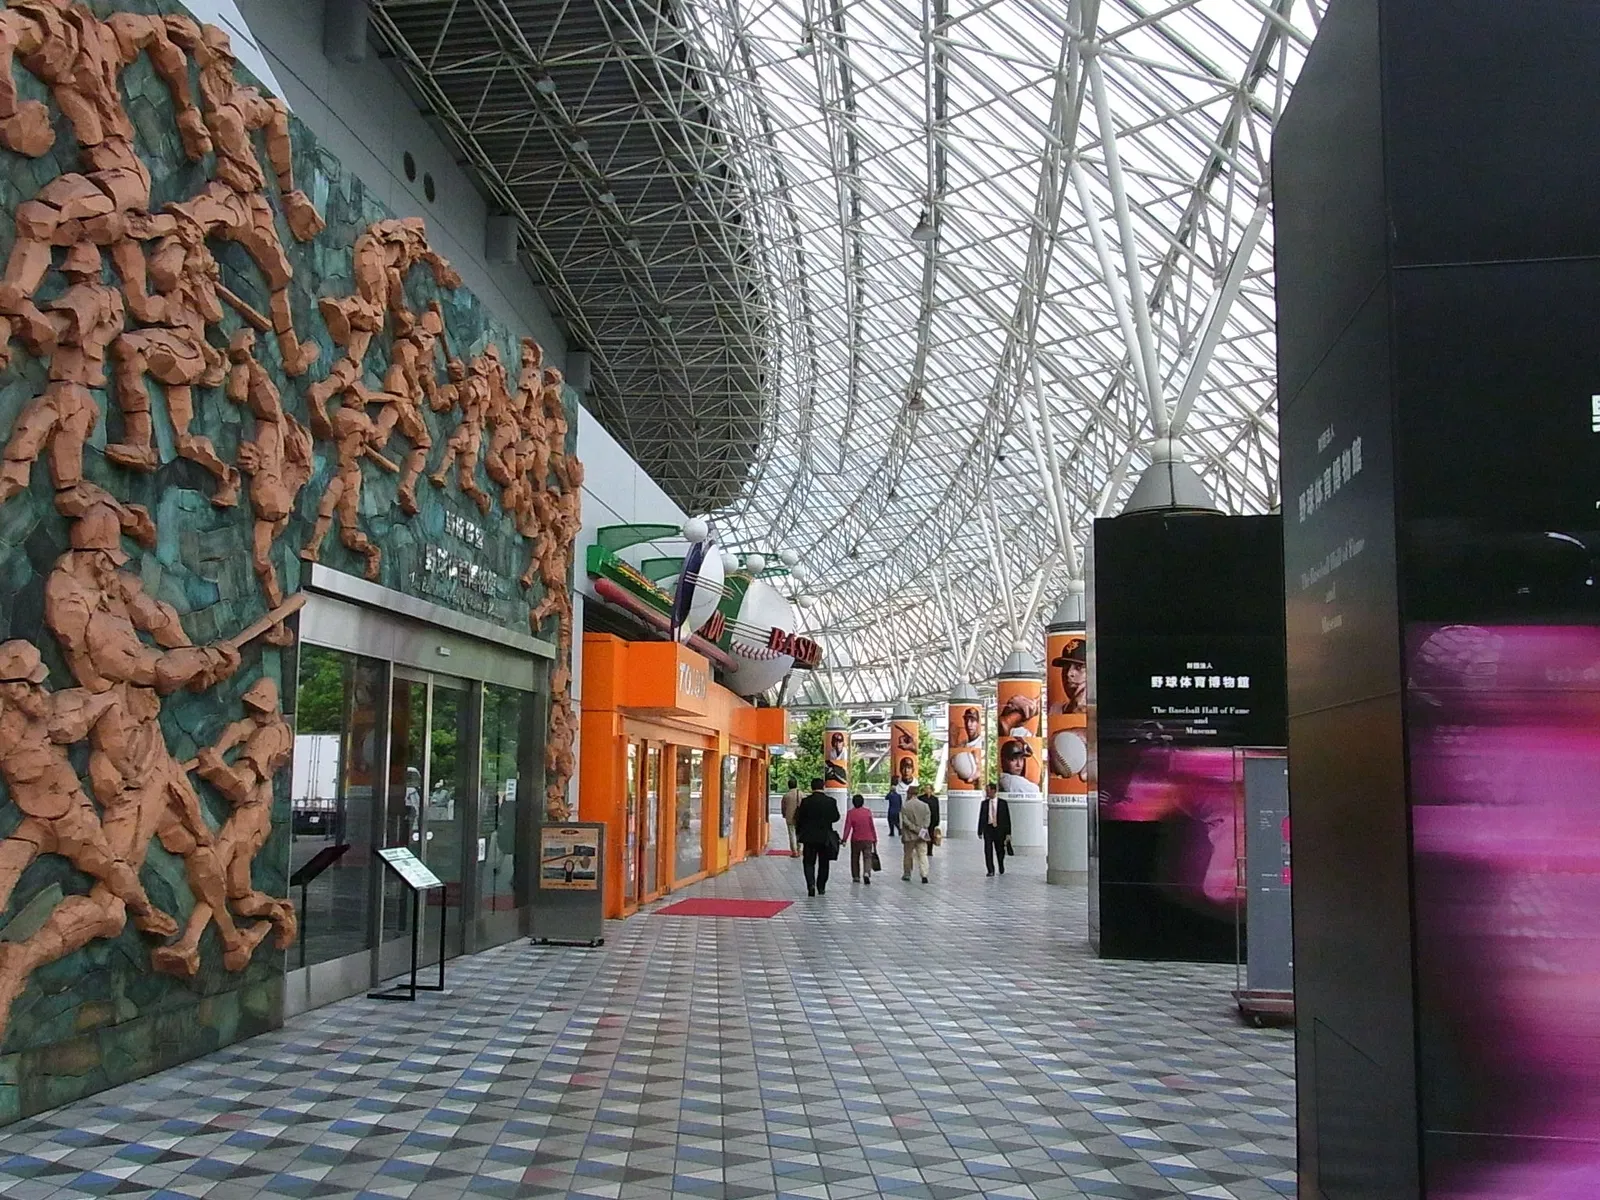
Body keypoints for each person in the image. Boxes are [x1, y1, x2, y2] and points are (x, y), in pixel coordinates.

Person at [793, 777, 840, 896]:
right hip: (825, 837)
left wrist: (799, 833)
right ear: (823, 786)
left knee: (809, 862)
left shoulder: (806, 802)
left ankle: (811, 885)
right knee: (824, 863)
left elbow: (799, 819)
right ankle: (821, 886)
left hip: (809, 837)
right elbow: (836, 817)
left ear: (811, 787)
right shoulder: (831, 801)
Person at [843, 794, 877, 884]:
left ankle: (856, 876)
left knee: (855, 857)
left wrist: (844, 839)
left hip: (856, 839)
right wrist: (875, 838)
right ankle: (866, 872)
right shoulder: (868, 812)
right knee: (867, 857)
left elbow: (847, 827)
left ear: (853, 803)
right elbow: (872, 826)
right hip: (868, 838)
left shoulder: (851, 813)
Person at [978, 782, 1012, 876]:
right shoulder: (984, 803)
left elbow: (1007, 818)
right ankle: (990, 870)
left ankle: (1001, 864)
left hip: (999, 830)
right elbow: (981, 817)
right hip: (988, 829)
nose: (987, 793)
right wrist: (980, 831)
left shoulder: (1003, 803)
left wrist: (1008, 833)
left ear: (993, 791)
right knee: (988, 850)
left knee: (1000, 850)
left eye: (988, 791)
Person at [899, 787, 931, 884]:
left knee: (908, 855)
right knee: (922, 855)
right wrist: (922, 829)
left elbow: (905, 821)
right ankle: (924, 874)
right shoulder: (925, 806)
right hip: (922, 835)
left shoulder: (905, 806)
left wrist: (914, 828)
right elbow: (927, 821)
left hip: (909, 836)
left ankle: (907, 874)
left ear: (909, 794)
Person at [780, 776, 802, 855]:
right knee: (799, 833)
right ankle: (799, 850)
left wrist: (784, 814)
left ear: (789, 785)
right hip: (800, 817)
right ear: (796, 785)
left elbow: (783, 807)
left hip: (790, 817)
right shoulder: (801, 794)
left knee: (791, 834)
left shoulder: (786, 795)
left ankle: (794, 851)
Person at [921, 784, 941, 856]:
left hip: (932, 820)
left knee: (931, 835)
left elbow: (937, 810)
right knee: (922, 835)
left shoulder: (935, 799)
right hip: (923, 820)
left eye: (928, 788)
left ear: (931, 790)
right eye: (926, 788)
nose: (927, 789)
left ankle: (930, 850)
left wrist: (937, 820)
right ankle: (922, 849)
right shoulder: (921, 798)